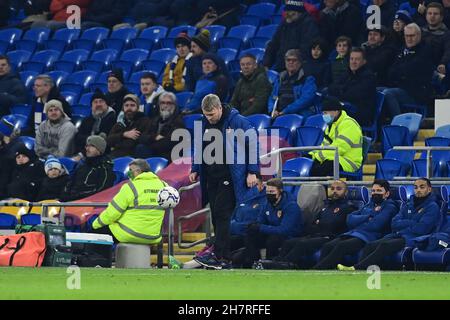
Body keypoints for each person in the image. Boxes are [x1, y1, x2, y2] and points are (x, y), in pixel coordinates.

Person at [189, 94, 260, 269]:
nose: (209, 118)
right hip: (211, 175)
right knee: (216, 213)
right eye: (206, 115)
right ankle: (220, 255)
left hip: (230, 174)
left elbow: (253, 144)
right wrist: (195, 168)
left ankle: (220, 255)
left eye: (212, 114)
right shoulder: (203, 122)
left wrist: (253, 171)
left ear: (220, 108)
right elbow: (199, 147)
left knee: (223, 213)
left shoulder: (238, 121)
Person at [338, 178, 441, 271]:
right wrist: (411, 223)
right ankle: (367, 270)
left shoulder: (432, 206)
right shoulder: (408, 204)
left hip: (416, 238)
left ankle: (357, 268)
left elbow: (421, 228)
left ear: (429, 189)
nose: (418, 190)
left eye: (422, 187)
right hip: (398, 234)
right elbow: (394, 223)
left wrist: (403, 224)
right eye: (416, 187)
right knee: (370, 245)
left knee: (384, 245)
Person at [171, 173, 266, 269]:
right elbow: (231, 218)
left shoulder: (264, 201)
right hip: (236, 233)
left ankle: (191, 264)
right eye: (249, 184)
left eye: (255, 184)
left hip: (249, 236)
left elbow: (255, 224)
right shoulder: (242, 199)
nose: (251, 187)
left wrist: (235, 226)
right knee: (215, 240)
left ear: (262, 185)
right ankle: (194, 262)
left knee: (220, 242)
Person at [255, 180, 357, 269]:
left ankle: (284, 264)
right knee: (289, 242)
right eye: (332, 188)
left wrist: (321, 223)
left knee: (302, 244)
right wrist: (320, 223)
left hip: (331, 237)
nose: (334, 191)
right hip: (317, 234)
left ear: (346, 192)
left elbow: (334, 224)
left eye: (339, 189)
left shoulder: (348, 208)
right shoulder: (326, 206)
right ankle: (277, 261)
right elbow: (314, 222)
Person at [312, 179, 399, 269]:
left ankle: (318, 270)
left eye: (379, 191)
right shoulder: (368, 205)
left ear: (387, 194)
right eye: (373, 191)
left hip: (369, 237)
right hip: (353, 233)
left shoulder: (390, 207)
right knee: (328, 246)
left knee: (341, 246)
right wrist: (368, 217)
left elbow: (376, 225)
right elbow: (349, 219)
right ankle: (320, 270)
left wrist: (360, 221)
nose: (375, 193)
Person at [91, 158, 167, 244]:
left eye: (131, 170)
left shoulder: (130, 187)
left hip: (129, 234)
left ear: (138, 171)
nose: (128, 173)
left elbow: (113, 213)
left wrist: (95, 224)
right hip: (153, 236)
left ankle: (101, 257)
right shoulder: (164, 185)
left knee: (96, 233)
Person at [231, 178, 303, 268]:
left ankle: (270, 264)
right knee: (251, 232)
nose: (269, 194)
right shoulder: (267, 204)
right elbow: (260, 221)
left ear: (280, 191)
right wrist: (255, 226)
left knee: (273, 239)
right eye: (268, 191)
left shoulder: (291, 206)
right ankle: (251, 262)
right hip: (271, 232)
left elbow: (284, 230)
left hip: (289, 236)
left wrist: (261, 227)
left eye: (272, 192)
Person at [384, 23, 434, 118]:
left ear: (419, 35)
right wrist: (401, 72)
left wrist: (401, 72)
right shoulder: (403, 50)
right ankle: (380, 124)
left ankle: (400, 123)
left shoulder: (425, 50)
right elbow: (391, 71)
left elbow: (411, 70)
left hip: (417, 93)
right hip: (402, 88)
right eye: (407, 36)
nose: (409, 39)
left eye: (412, 36)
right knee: (378, 90)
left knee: (388, 93)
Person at [309, 96, 363, 176]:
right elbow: (324, 146)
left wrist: (319, 157)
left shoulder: (349, 124)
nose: (324, 116)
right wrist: (312, 155)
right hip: (336, 158)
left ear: (336, 111)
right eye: (323, 113)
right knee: (310, 164)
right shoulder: (331, 126)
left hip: (349, 161)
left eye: (326, 113)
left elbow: (339, 148)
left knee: (322, 168)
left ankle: (319, 188)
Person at [263, 0, 320, 72]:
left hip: (299, 67)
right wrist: (266, 64)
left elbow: (307, 48)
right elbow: (273, 44)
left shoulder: (309, 24)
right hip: (281, 65)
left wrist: (291, 60)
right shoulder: (285, 23)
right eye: (286, 11)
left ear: (299, 13)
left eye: (290, 12)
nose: (286, 14)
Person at [328, 47, 377, 126]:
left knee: (331, 113)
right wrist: (343, 90)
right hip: (346, 108)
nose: (353, 62)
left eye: (357, 59)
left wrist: (341, 91)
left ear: (364, 61)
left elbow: (355, 95)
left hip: (361, 113)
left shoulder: (368, 76)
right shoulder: (347, 73)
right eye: (352, 59)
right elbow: (331, 88)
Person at [134, 91, 185, 160]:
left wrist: (150, 142)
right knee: (140, 147)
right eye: (162, 103)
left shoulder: (178, 121)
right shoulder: (154, 119)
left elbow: (169, 143)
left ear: (174, 105)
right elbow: (142, 137)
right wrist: (155, 137)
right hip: (153, 151)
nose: (165, 106)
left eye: (169, 103)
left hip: (168, 155)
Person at [62, 135, 115, 201]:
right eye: (87, 146)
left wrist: (75, 197)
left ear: (99, 150)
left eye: (91, 146)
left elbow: (102, 192)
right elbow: (70, 183)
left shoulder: (104, 168)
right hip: (72, 201)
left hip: (88, 204)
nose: (87, 148)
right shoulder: (82, 164)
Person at [268, 49, 317, 118]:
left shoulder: (308, 79)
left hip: (299, 116)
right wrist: (272, 110)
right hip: (279, 115)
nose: (291, 62)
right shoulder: (280, 78)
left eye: (294, 60)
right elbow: (272, 97)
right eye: (288, 60)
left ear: (300, 63)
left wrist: (286, 111)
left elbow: (305, 99)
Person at [107, 94, 151, 158]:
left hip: (133, 157)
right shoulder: (120, 123)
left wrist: (118, 142)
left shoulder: (144, 121)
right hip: (116, 155)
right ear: (123, 108)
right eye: (126, 105)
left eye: (132, 105)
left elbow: (142, 139)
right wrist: (124, 135)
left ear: (138, 108)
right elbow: (108, 140)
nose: (129, 108)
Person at [74, 90, 116, 155]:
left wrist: (82, 155)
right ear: (91, 106)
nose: (98, 104)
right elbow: (78, 137)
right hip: (84, 153)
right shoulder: (87, 120)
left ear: (106, 104)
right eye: (95, 102)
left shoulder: (112, 118)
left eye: (101, 101)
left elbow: (102, 141)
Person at [421, 2, 450, 78]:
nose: (432, 16)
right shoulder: (420, 31)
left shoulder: (447, 34)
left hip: (435, 69)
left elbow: (448, 51)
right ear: (426, 16)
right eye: (429, 13)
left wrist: (443, 63)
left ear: (441, 17)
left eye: (435, 14)